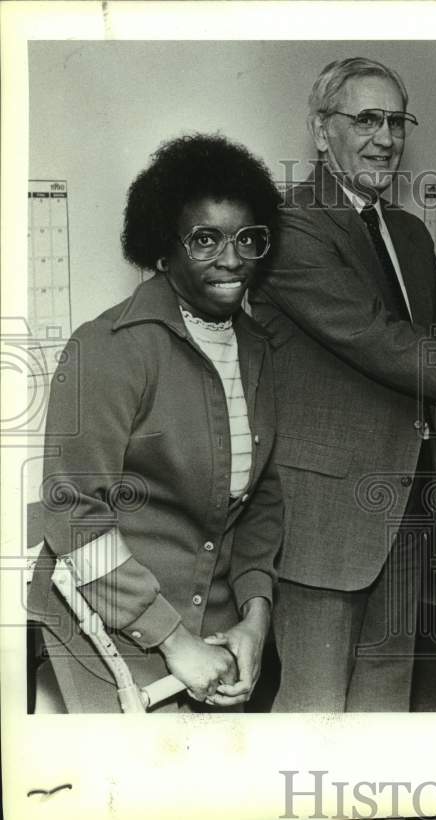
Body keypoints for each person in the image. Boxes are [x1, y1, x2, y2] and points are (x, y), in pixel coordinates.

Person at [251, 57, 436, 712]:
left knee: (385, 699)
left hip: (407, 506)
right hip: (324, 520)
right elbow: (378, 339)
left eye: (395, 121)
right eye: (365, 119)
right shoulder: (289, 228)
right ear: (321, 131)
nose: (385, 137)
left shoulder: (408, 231)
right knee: (314, 711)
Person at [28, 134, 283, 712]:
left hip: (216, 624)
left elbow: (262, 499)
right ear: (163, 250)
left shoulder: (258, 349)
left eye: (249, 238)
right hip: (104, 621)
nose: (232, 257)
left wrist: (254, 620)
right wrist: (173, 641)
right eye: (205, 239)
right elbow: (74, 513)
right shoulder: (107, 348)